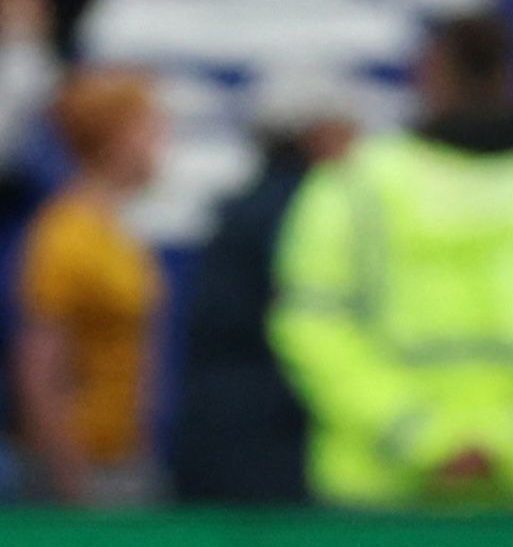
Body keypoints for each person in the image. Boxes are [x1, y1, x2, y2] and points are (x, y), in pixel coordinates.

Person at [270, 12, 513, 509]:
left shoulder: (349, 191)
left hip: (376, 501)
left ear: (427, 74)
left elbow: (313, 328)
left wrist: (420, 436)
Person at [167, 69, 370, 504]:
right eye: (349, 132)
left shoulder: (241, 207)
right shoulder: (308, 212)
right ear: (320, 135)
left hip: (216, 430)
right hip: (270, 439)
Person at [11, 70, 166, 505]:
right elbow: (40, 366)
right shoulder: (66, 234)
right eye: (148, 131)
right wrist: (69, 475)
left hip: (122, 458)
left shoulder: (114, 229)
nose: (160, 146)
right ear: (113, 141)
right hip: (84, 467)